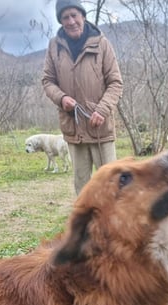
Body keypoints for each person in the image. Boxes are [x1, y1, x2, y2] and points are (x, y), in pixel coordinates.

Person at [42, 0, 123, 196]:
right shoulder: (54, 46)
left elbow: (115, 83)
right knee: (82, 187)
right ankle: (86, 225)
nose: (70, 21)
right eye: (65, 17)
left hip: (99, 128)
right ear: (60, 21)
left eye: (74, 15)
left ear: (83, 16)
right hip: (73, 128)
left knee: (110, 185)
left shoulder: (101, 43)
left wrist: (102, 110)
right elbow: (47, 81)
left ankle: (113, 225)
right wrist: (61, 98)